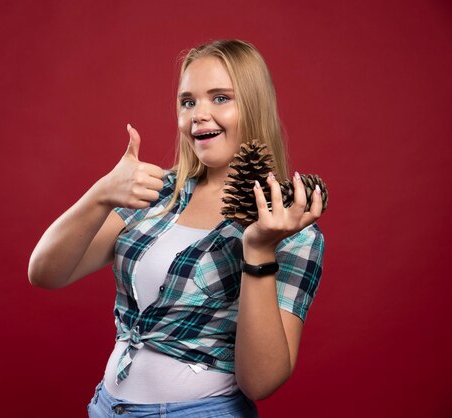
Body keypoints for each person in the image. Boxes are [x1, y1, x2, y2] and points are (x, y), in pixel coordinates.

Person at [28, 39, 325, 417]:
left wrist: (260, 251)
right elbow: (46, 273)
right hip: (107, 407)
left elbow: (261, 382)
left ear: (254, 105)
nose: (198, 115)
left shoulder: (290, 228)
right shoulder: (156, 194)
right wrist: (101, 193)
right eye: (188, 102)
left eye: (220, 98)